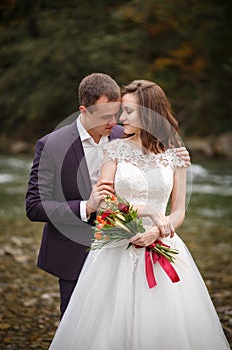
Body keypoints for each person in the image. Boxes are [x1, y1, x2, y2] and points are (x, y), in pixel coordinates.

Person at [48, 80, 230, 350]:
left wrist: (159, 229)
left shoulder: (176, 155)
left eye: (129, 112)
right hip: (116, 250)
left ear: (149, 112)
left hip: (162, 245)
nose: (121, 118)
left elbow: (179, 210)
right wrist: (148, 213)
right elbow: (107, 202)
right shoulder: (114, 150)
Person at [25, 73, 191, 320]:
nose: (115, 122)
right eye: (106, 116)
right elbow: (34, 206)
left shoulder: (124, 135)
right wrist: (86, 207)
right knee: (79, 328)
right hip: (74, 251)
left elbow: (155, 159)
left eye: (118, 113)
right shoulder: (52, 145)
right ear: (84, 110)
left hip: (126, 246)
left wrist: (177, 159)